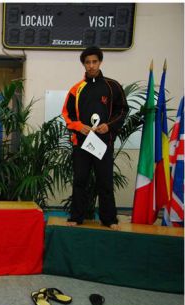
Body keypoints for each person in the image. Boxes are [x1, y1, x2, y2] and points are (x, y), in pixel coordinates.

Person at [62, 46, 129, 230]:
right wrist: (78, 126)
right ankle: (76, 217)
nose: (91, 65)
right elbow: (66, 113)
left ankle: (109, 219)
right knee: (80, 181)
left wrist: (109, 125)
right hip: (81, 144)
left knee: (105, 181)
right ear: (83, 64)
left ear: (100, 62)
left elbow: (122, 110)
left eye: (94, 62)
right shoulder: (76, 89)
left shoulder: (112, 86)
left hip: (103, 143)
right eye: (87, 62)